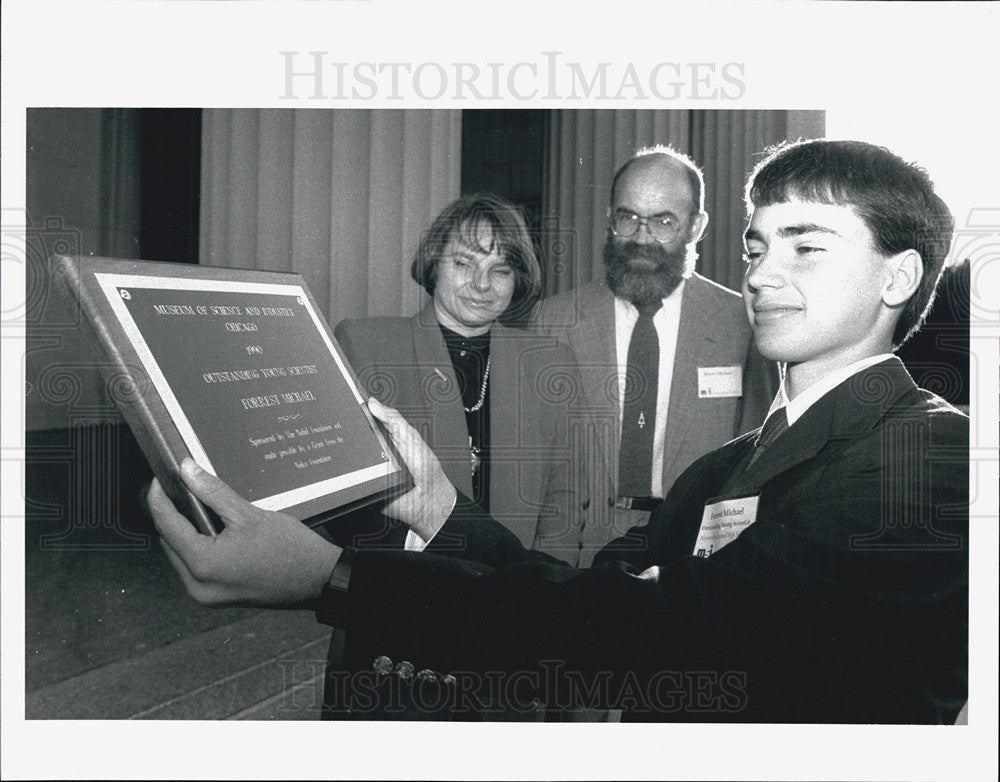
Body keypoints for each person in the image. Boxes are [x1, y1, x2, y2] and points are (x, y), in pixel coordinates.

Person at [149, 139, 968, 723]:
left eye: (805, 246)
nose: (759, 272)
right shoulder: (722, 469)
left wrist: (331, 579)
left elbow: (667, 631)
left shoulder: (929, 458)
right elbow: (579, 595)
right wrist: (438, 505)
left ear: (899, 276)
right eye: (757, 245)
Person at [535, 146, 777, 565]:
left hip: (695, 554)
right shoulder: (555, 321)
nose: (642, 238)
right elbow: (539, 462)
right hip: (577, 552)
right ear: (610, 218)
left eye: (664, 221)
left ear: (695, 226)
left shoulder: (742, 323)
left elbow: (758, 462)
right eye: (628, 218)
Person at [332, 193, 584, 563]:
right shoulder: (367, 345)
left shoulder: (550, 363)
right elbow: (348, 497)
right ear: (434, 263)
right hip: (408, 592)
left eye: (501, 270)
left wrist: (536, 592)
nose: (483, 284)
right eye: (465, 263)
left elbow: (565, 499)